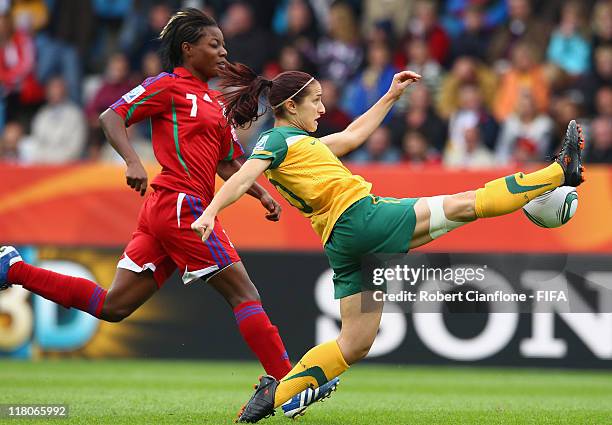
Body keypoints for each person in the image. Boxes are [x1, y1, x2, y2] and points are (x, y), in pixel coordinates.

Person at [189, 63, 585, 422]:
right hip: (361, 219)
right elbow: (243, 177)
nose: (322, 109)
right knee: (466, 204)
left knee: (354, 343)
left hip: (344, 244)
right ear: (291, 107)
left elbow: (354, 134)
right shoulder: (276, 142)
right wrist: (211, 211)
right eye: (316, 101)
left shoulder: (300, 146)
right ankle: (556, 171)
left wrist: (391, 95)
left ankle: (272, 398)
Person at [0, 9, 337, 416]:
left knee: (114, 307)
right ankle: (288, 384)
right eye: (214, 45)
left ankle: (12, 268)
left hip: (169, 211)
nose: (222, 52)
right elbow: (112, 116)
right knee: (244, 294)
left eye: (224, 45)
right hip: (181, 206)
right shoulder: (168, 86)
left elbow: (229, 163)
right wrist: (131, 160)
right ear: (187, 49)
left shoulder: (213, 104)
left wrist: (260, 195)